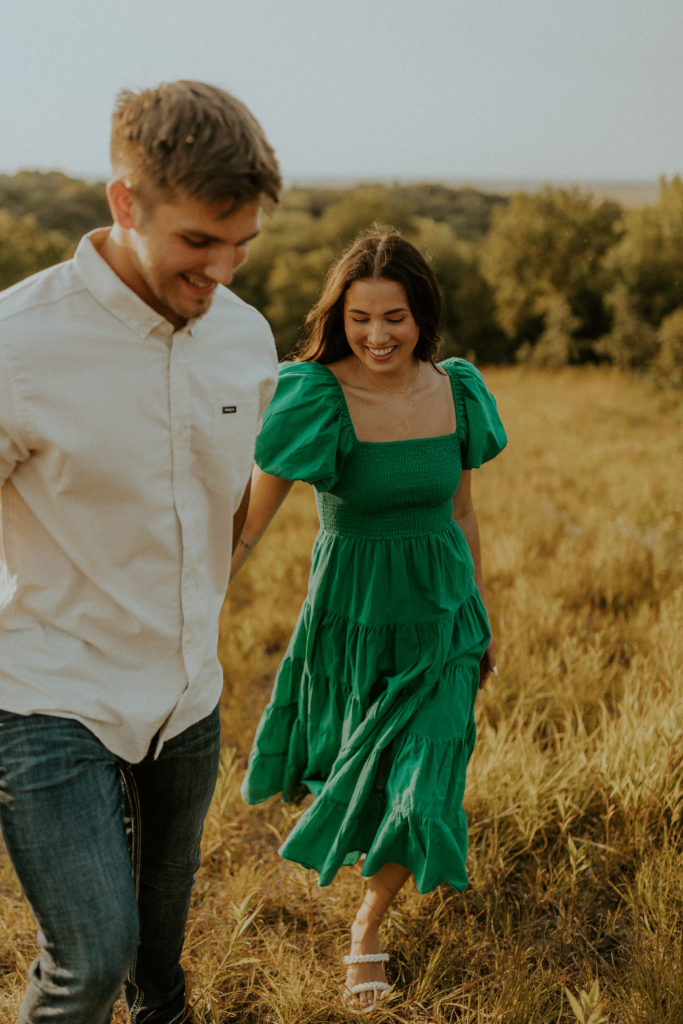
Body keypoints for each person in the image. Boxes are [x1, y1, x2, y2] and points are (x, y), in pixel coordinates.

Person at [0, 81, 281, 1024]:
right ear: (124, 203)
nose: (222, 273)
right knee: (91, 957)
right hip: (46, 691)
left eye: (240, 245)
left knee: (158, 961)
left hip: (186, 695)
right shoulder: (17, 345)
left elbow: (234, 496)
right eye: (199, 244)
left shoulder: (245, 337)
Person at [230, 227, 508, 1012]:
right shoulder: (314, 394)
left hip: (445, 621)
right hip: (351, 622)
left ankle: (366, 927)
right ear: (338, 318)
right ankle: (367, 894)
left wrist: (479, 613)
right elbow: (249, 525)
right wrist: (190, 603)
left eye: (394, 317)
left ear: (421, 314)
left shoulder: (455, 390)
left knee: (424, 792)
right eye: (359, 319)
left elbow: (461, 511)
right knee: (369, 779)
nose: (377, 335)